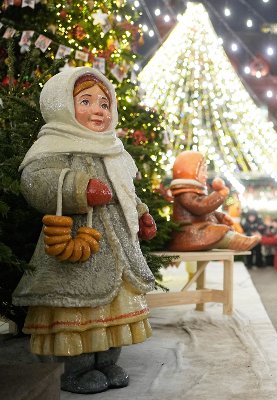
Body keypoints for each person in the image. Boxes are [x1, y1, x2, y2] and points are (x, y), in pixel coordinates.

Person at [13, 67, 157, 393]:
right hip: (77, 252)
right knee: (76, 307)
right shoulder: (53, 145)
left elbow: (126, 194)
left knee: (113, 310)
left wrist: (141, 215)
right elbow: (36, 182)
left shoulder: (114, 151)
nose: (98, 110)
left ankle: (107, 362)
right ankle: (75, 370)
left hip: (117, 252)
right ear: (62, 105)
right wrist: (79, 187)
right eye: (86, 101)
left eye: (104, 104)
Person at [168, 151, 260, 252]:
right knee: (218, 232)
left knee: (218, 230)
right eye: (202, 170)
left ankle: (239, 240)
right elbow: (200, 207)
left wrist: (220, 216)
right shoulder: (185, 194)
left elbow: (205, 211)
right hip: (188, 232)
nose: (206, 175)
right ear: (190, 170)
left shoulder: (194, 191)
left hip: (197, 228)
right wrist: (219, 194)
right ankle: (240, 242)